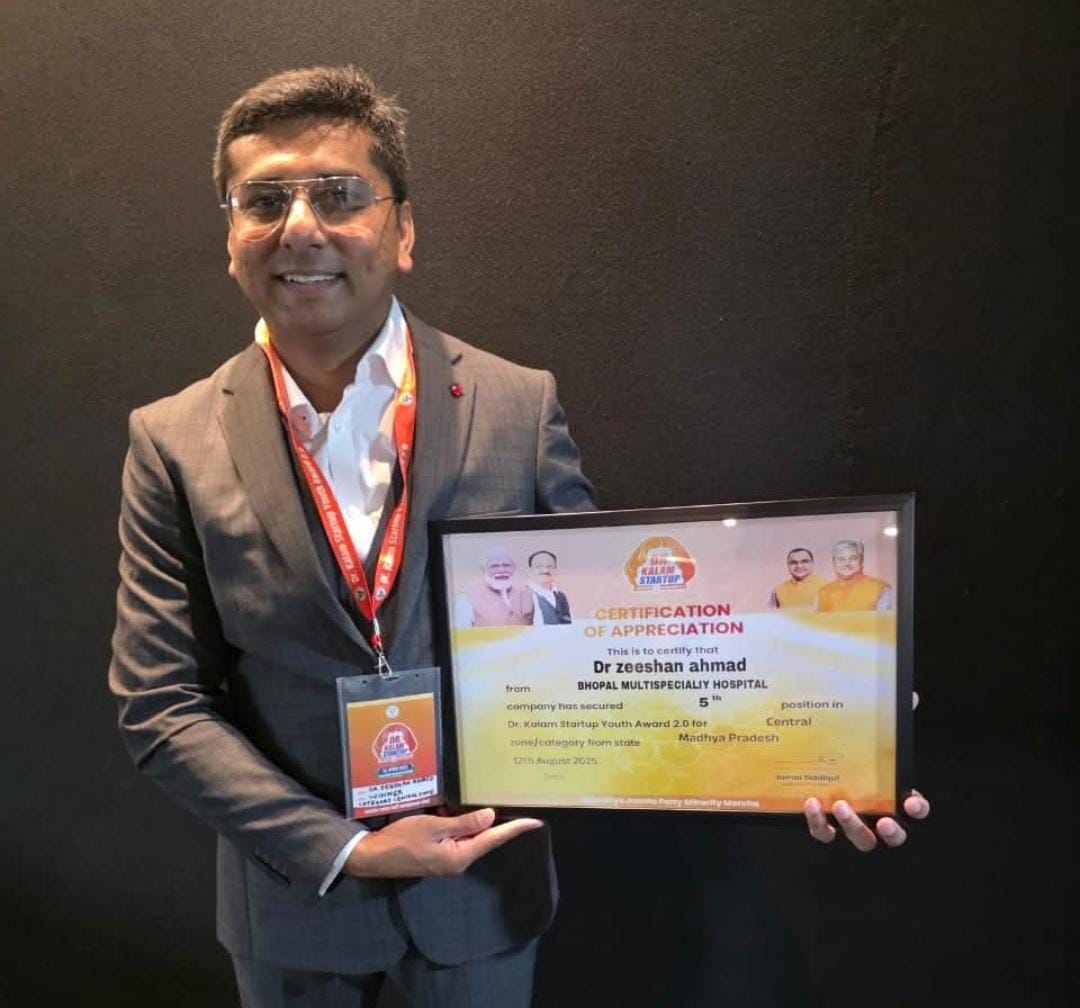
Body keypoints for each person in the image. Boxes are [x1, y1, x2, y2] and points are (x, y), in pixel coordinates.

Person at [108, 64, 929, 1008]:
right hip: (295, 910)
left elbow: (614, 639)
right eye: (263, 201)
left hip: (482, 899)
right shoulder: (171, 440)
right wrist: (345, 848)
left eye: (338, 194)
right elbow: (159, 701)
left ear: (403, 231)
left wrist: (825, 723)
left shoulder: (516, 404)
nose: (299, 227)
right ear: (231, 239)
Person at [454, 545, 532, 627]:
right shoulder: (467, 596)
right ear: (483, 569)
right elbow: (462, 631)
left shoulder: (527, 592)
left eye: (506, 565)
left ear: (514, 568)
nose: (501, 570)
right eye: (494, 566)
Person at [817, 539, 893, 612]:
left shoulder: (880, 588)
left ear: (861, 561)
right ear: (834, 563)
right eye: (841, 559)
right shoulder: (823, 592)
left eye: (853, 558)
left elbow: (883, 620)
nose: (847, 563)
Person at [522, 550, 572, 625]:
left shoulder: (561, 596)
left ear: (556, 570)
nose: (545, 570)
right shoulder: (523, 595)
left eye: (550, 566)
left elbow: (568, 624)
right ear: (529, 571)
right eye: (539, 566)